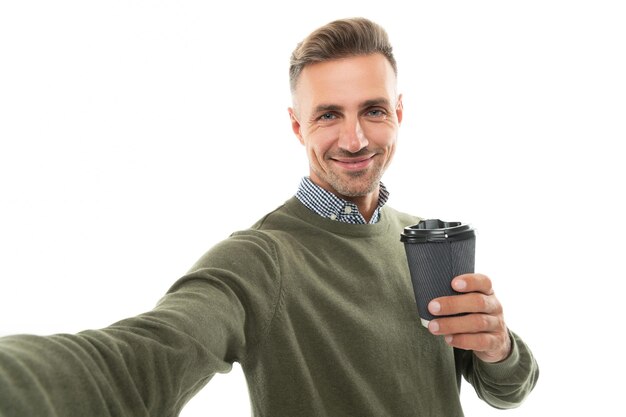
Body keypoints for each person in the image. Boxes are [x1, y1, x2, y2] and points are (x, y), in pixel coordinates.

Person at [0, 17, 538, 416]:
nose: (354, 139)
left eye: (373, 110)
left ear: (398, 114)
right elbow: (146, 356)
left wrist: (499, 346)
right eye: (329, 115)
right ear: (297, 126)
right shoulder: (261, 260)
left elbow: (508, 389)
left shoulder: (423, 240)